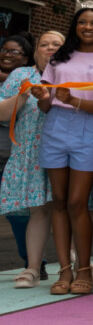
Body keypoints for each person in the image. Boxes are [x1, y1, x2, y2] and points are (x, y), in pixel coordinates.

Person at [32, 6, 93, 295]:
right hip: (55, 125)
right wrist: (42, 95)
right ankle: (64, 270)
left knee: (77, 202)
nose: (88, 27)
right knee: (58, 200)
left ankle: (84, 269)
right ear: (74, 26)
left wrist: (76, 101)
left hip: (89, 128)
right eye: (82, 22)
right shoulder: (59, 58)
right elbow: (45, 105)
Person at [2, 31, 63, 290]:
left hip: (64, 151)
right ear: (35, 50)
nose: (49, 48)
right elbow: (3, 114)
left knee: (69, 208)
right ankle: (33, 268)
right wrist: (23, 96)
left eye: (56, 44)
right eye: (44, 44)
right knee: (38, 210)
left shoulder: (71, 74)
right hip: (29, 153)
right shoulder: (20, 75)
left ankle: (76, 264)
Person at [0, 35, 35, 276]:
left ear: (25, 58)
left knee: (18, 210)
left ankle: (31, 259)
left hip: (13, 151)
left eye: (14, 52)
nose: (7, 55)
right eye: (4, 50)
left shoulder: (31, 80)